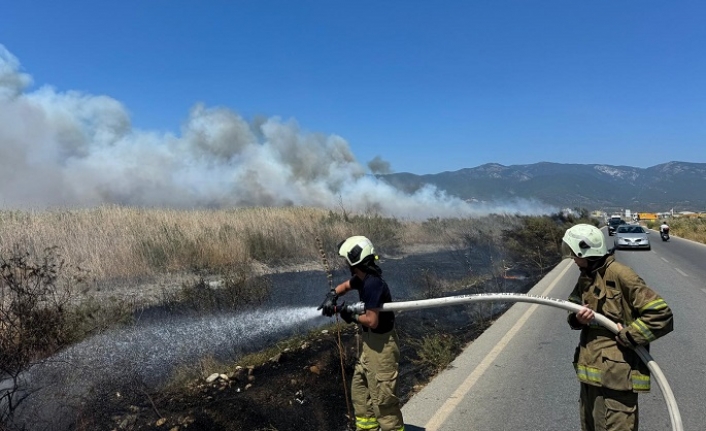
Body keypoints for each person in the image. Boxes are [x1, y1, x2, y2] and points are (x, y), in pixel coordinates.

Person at [561, 224, 673, 431]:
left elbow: (661, 314)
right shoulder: (586, 276)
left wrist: (629, 335)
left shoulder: (622, 275)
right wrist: (578, 319)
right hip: (590, 376)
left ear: (585, 251)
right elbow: (571, 305)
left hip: (617, 380)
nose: (573, 259)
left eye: (574, 253)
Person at [318, 235, 405, 431]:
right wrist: (333, 295)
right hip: (370, 344)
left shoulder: (373, 284)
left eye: (347, 260)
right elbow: (346, 286)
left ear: (354, 260)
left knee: (384, 404)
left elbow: (372, 321)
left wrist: (350, 314)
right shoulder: (362, 278)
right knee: (360, 391)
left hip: (382, 347)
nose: (346, 264)